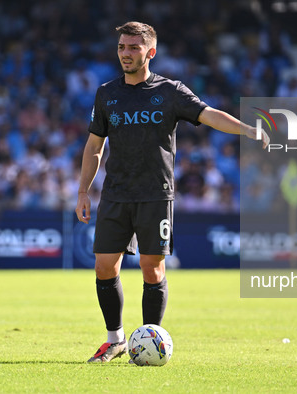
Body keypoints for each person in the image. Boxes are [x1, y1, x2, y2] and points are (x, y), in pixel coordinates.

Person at [75, 21, 269, 363]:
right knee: (104, 266)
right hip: (116, 193)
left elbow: (209, 115)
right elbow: (94, 144)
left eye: (133, 48)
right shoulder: (107, 93)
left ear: (150, 52)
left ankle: (149, 341)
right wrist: (82, 191)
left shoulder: (170, 91)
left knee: (153, 269)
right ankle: (115, 339)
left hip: (155, 193)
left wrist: (248, 131)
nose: (125, 54)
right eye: (122, 47)